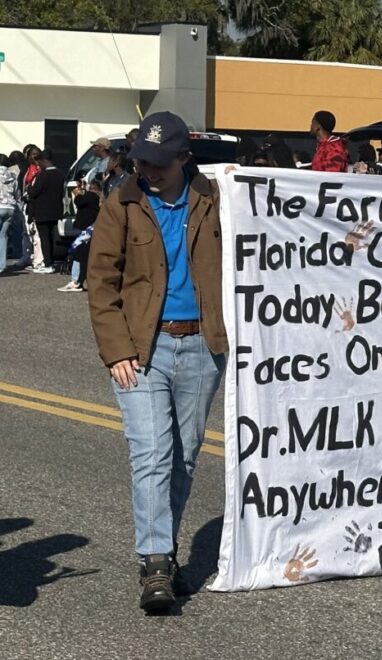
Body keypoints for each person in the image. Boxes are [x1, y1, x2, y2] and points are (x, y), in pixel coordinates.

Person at [87, 110, 227, 613]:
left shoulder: (217, 199)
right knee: (150, 455)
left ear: (184, 159)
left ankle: (161, 551)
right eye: (142, 160)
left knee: (183, 458)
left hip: (203, 347)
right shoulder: (121, 201)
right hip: (142, 349)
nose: (148, 171)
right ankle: (155, 561)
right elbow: (100, 282)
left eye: (160, 163)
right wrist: (117, 349)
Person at [59, 179, 103, 292]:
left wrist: (77, 190)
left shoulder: (91, 196)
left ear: (93, 187)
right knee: (85, 255)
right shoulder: (99, 198)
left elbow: (78, 201)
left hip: (84, 229)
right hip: (90, 228)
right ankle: (82, 280)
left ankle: (76, 281)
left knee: (78, 254)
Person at [26, 149, 64, 274]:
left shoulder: (43, 175)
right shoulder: (60, 174)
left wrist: (29, 188)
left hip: (42, 211)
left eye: (40, 162)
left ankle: (48, 264)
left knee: (44, 238)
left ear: (44, 161)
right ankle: (52, 262)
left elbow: (34, 192)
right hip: (56, 210)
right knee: (52, 237)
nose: (39, 165)